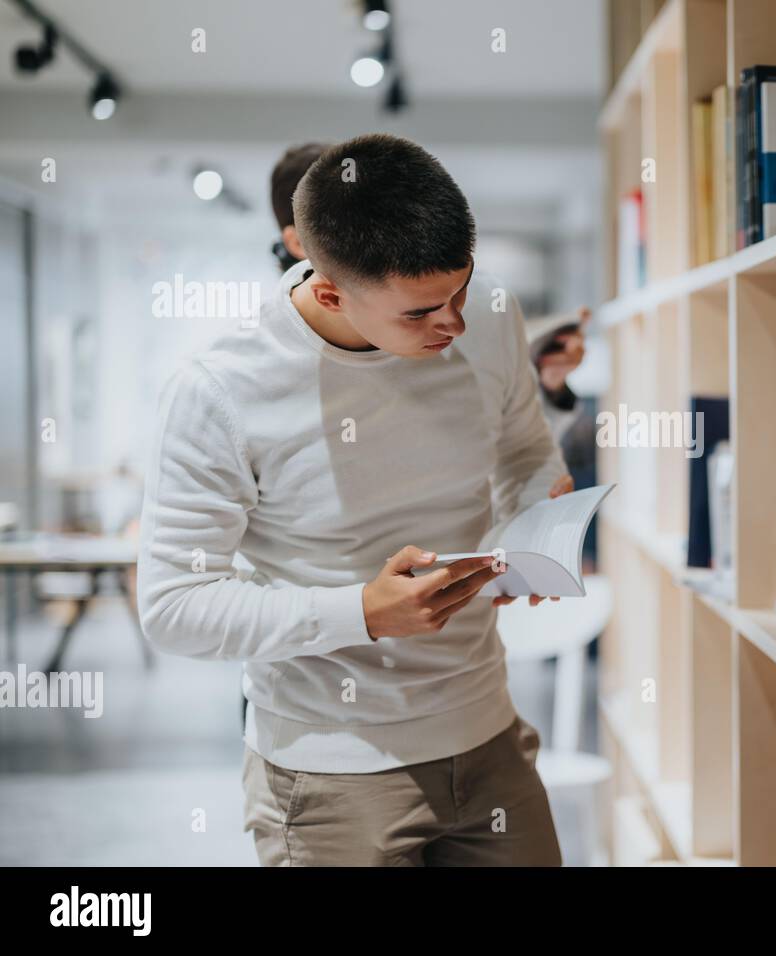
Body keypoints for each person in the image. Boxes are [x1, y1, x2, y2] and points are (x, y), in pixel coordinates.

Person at [137, 133, 569, 866]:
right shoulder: (219, 392)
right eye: (422, 312)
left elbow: (526, 450)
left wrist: (536, 523)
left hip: (490, 737)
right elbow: (173, 606)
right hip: (329, 773)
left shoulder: (490, 311)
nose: (456, 324)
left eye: (461, 291)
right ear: (329, 288)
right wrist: (362, 614)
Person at [270, 142, 588, 444]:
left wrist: (549, 384)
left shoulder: (444, 316)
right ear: (298, 241)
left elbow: (505, 449)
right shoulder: (266, 369)